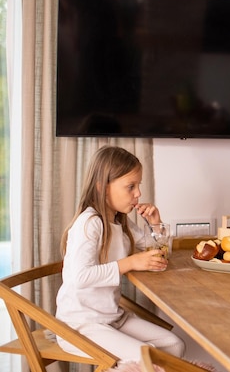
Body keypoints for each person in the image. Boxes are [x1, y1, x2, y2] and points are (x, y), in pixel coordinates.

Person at [56, 146, 185, 361]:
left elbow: (158, 254)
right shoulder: (89, 223)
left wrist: (155, 224)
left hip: (113, 317)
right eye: (130, 187)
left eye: (138, 186)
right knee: (146, 357)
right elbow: (79, 277)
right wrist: (131, 262)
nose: (138, 194)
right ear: (103, 188)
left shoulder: (120, 222)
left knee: (174, 345)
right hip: (81, 325)